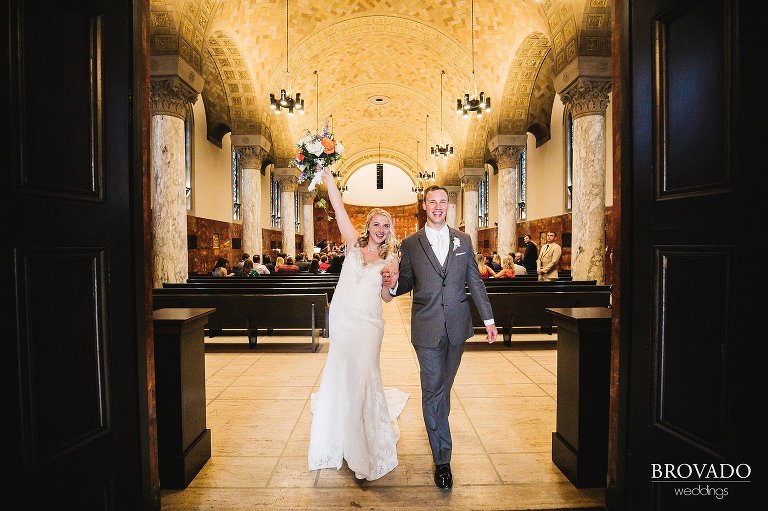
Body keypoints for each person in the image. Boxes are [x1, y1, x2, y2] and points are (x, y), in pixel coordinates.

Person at [382, 185, 497, 490]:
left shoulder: (464, 240)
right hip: (427, 328)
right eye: (431, 201)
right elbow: (406, 281)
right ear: (424, 205)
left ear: (448, 206)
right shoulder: (410, 243)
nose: (437, 206)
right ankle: (443, 459)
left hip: (458, 327)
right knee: (433, 390)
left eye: (442, 202)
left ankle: (437, 421)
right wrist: (393, 284)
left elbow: (475, 280)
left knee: (444, 388)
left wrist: (488, 319)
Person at [308, 167, 409, 482]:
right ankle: (344, 438)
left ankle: (363, 450)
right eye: (376, 224)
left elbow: (388, 298)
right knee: (344, 374)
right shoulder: (352, 243)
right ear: (368, 226)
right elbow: (337, 207)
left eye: (386, 225)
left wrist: (391, 283)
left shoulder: (392, 258)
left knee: (364, 375)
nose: (380, 229)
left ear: (390, 230)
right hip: (342, 319)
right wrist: (327, 177)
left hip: (368, 325)